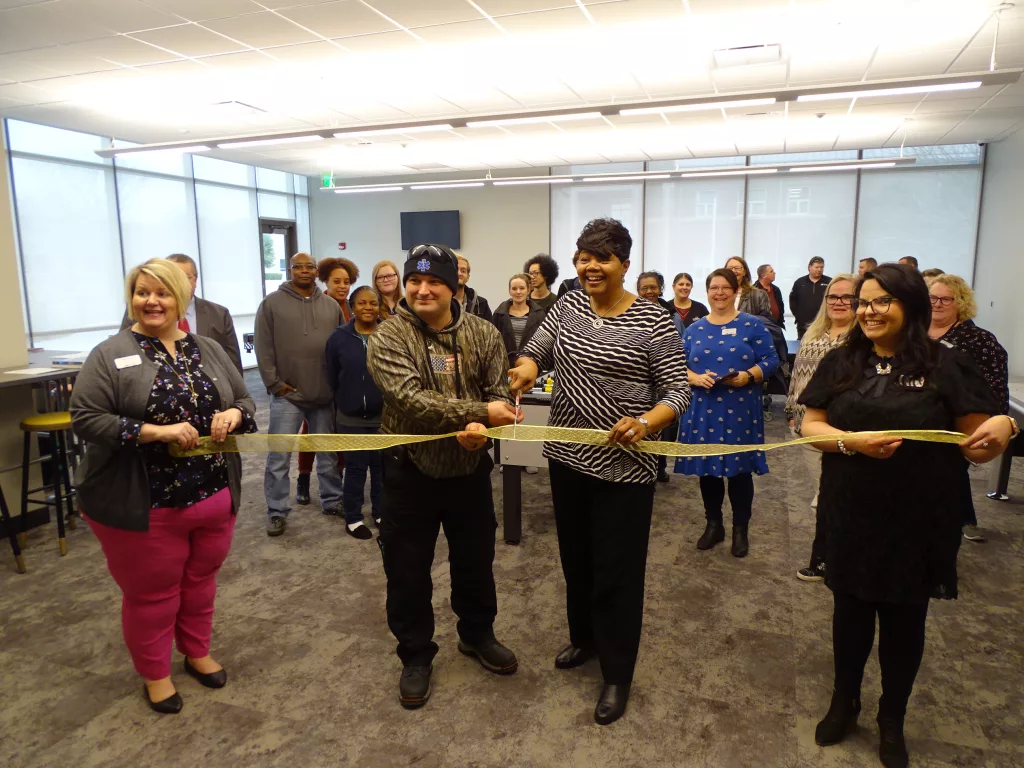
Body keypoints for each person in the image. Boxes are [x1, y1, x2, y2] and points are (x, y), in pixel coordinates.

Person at [798, 264, 1014, 768]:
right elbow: (811, 425)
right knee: (848, 616)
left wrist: (1004, 427)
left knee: (904, 623)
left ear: (910, 306)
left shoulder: (946, 365)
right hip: (851, 509)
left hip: (918, 519)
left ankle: (891, 717)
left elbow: (976, 446)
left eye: (882, 302)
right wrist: (850, 442)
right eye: (863, 303)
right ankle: (843, 702)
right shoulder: (843, 362)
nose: (869, 312)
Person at [510, 218, 691, 726]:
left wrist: (646, 421)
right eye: (583, 256)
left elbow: (678, 392)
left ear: (625, 265)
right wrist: (525, 367)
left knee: (618, 571)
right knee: (577, 560)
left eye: (602, 257)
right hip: (569, 457)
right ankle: (584, 640)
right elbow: (538, 349)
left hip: (626, 467)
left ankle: (617, 671)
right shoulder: (567, 305)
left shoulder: (654, 321)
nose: (590, 265)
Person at [71, 258, 257, 714]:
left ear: (182, 297)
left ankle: (196, 652)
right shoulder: (111, 353)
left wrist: (233, 415)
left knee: (200, 583)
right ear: (131, 298)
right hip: (144, 503)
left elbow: (246, 400)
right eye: (141, 292)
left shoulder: (206, 348)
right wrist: (158, 432)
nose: (151, 301)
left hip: (213, 495)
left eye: (162, 292)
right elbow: (86, 418)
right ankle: (155, 674)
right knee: (152, 596)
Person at [366, 243, 522, 711]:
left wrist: (481, 432)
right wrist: (479, 413)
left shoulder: (484, 333)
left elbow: (499, 394)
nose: (422, 289)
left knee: (475, 561)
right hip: (408, 470)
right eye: (415, 280)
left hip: (469, 472)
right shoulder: (388, 337)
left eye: (434, 281)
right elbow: (410, 399)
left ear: (455, 287)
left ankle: (477, 634)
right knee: (407, 569)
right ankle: (415, 655)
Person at [676, 268, 779, 558]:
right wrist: (694, 378)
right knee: (708, 470)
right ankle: (714, 524)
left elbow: (772, 360)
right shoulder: (694, 328)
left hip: (740, 408)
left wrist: (750, 375)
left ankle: (740, 529)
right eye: (713, 288)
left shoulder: (752, 325)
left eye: (725, 288)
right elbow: (677, 365)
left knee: (739, 472)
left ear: (736, 292)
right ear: (706, 292)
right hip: (703, 407)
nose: (719, 293)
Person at [255, 252, 344, 536]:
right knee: (279, 456)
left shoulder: (331, 305)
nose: (304, 271)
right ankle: (277, 511)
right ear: (290, 270)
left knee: (328, 452)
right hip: (287, 395)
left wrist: (337, 384)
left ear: (316, 271)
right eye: (298, 267)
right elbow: (263, 346)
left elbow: (341, 348)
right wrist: (274, 384)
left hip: (323, 393)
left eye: (309, 266)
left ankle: (332, 500)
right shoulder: (271, 304)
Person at [785, 274, 858, 582]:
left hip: (842, 432)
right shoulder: (813, 335)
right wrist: (791, 410)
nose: (838, 302)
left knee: (833, 496)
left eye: (846, 297)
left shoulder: (861, 341)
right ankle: (826, 556)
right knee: (823, 493)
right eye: (833, 297)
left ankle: (830, 559)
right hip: (806, 428)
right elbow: (797, 377)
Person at [927, 273, 1009, 543]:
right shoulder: (912, 334)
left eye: (945, 299)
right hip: (914, 423)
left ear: (960, 302)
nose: (937, 304)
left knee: (943, 490)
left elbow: (995, 390)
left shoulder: (981, 341)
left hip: (955, 428)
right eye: (932, 298)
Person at [294, 257, 358, 505]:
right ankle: (303, 478)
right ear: (325, 282)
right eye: (336, 281)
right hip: (319, 378)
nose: (342, 286)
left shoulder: (352, 307)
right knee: (310, 431)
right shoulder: (320, 305)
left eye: (346, 282)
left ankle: (336, 479)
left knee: (339, 429)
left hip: (343, 380)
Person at [119, 254, 243, 374]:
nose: (178, 283)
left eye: (185, 277)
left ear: (195, 279)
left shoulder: (219, 314)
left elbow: (233, 362)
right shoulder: (141, 311)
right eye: (172, 278)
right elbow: (122, 354)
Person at [325, 285, 383, 538]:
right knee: (355, 469)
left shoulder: (389, 334)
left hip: (384, 417)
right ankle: (354, 517)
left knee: (382, 469)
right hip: (350, 417)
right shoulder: (338, 337)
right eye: (362, 303)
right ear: (351, 306)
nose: (368, 308)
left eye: (373, 303)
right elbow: (332, 375)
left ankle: (381, 512)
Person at [636, 270, 676, 483]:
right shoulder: (631, 313)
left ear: (660, 289)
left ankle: (659, 467)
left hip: (665, 380)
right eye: (644, 288)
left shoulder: (671, 314)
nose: (649, 291)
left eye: (653, 287)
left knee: (664, 427)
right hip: (641, 382)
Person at [492, 273, 546, 366]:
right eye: (514, 288)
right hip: (504, 366)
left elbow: (544, 342)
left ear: (528, 290)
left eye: (522, 288)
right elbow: (492, 343)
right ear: (509, 291)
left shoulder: (539, 314)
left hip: (530, 365)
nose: (518, 292)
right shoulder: (498, 314)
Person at [790, 256, 831, 339]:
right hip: (803, 325)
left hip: (823, 323)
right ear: (809, 267)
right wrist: (799, 316)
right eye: (817, 267)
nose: (819, 269)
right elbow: (793, 301)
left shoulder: (829, 282)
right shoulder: (800, 282)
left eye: (821, 267)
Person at [455, 254, 492, 321]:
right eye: (456, 269)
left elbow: (491, 330)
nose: (459, 273)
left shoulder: (481, 304)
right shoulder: (440, 301)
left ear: (468, 277)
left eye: (463, 271)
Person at [754, 263, 786, 328]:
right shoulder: (754, 290)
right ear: (763, 275)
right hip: (760, 326)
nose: (774, 273)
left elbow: (780, 306)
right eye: (771, 271)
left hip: (776, 325)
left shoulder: (776, 289)